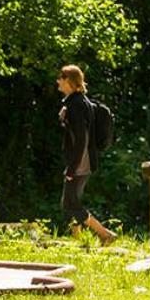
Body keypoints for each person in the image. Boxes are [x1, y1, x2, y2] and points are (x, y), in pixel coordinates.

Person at [57, 64, 116, 245]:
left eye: (61, 77)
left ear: (69, 80)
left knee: (69, 204)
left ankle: (105, 235)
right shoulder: (80, 101)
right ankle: (80, 241)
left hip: (81, 161)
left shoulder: (75, 105)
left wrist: (72, 168)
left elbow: (82, 138)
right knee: (70, 202)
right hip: (85, 159)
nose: (58, 81)